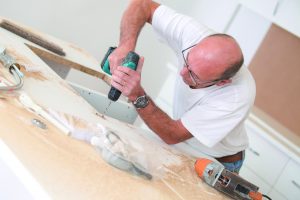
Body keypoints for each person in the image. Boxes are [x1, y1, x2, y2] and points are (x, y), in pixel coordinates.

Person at [108, 0, 256, 173]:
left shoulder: (235, 98)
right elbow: (142, 5)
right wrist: (126, 45)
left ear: (221, 82)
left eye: (193, 75)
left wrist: (137, 95)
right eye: (187, 60)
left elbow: (173, 134)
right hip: (181, 141)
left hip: (216, 161)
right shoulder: (193, 35)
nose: (182, 73)